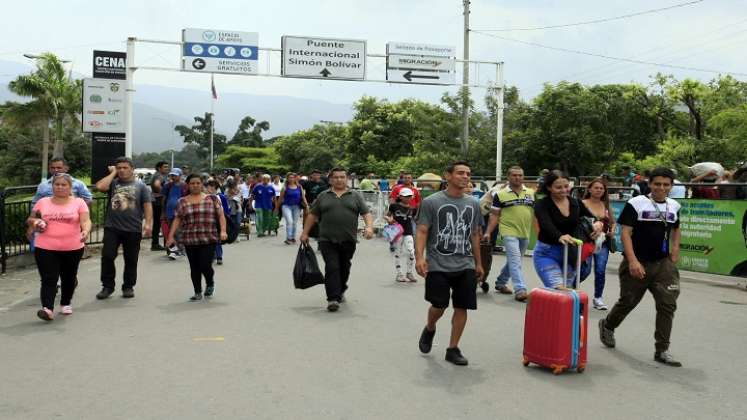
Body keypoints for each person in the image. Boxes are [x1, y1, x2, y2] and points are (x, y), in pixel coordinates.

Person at [599, 167, 684, 367]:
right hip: (637, 261)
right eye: (657, 184)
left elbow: (677, 228)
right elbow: (626, 234)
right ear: (649, 184)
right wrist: (633, 261)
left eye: (666, 184)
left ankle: (662, 349)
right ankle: (608, 325)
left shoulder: (674, 205)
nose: (661, 188)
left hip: (663, 264)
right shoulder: (635, 204)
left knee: (667, 304)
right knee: (628, 301)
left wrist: (675, 248)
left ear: (671, 186)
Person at [416, 161, 484, 366]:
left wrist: (478, 263)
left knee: (462, 306)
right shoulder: (431, 202)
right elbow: (422, 230)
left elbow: (474, 234)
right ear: (448, 176)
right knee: (439, 304)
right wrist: (420, 258)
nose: (465, 177)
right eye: (460, 173)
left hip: (465, 263)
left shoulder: (473, 203)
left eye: (468, 174)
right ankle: (430, 327)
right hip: (438, 263)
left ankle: (453, 349)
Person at [300, 167, 374, 312]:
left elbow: (366, 213)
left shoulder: (355, 195)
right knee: (332, 267)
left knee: (344, 267)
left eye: (342, 177)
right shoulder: (323, 196)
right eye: (336, 177)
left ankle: (341, 288)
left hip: (348, 239)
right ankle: (333, 298)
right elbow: (312, 215)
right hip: (327, 240)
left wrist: (369, 227)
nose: (339, 180)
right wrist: (305, 233)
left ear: (347, 179)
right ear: (330, 180)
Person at [27, 173, 91, 321]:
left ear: (70, 187)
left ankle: (66, 302)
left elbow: (86, 221)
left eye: (64, 185)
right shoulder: (43, 202)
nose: (60, 187)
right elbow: (31, 218)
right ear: (52, 186)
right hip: (45, 246)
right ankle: (47, 308)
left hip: (73, 247)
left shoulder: (79, 202)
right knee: (49, 278)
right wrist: (35, 223)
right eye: (57, 184)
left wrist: (85, 231)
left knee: (68, 277)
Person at [532, 170, 603, 289]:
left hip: (571, 253)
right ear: (549, 188)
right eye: (558, 187)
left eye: (566, 186)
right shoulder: (541, 204)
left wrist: (598, 223)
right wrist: (559, 236)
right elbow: (546, 224)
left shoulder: (575, 202)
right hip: (547, 253)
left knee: (567, 291)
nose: (564, 190)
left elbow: (591, 217)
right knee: (558, 288)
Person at [94, 157, 153, 300]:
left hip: (133, 228)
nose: (122, 170)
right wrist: (113, 173)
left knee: (131, 259)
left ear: (132, 169)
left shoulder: (141, 186)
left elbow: (147, 205)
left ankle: (128, 286)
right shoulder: (113, 184)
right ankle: (107, 286)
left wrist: (148, 223)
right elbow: (100, 187)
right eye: (119, 167)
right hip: (112, 227)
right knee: (107, 256)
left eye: (125, 167)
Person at [166, 174, 227, 301]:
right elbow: (177, 219)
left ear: (202, 184)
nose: (195, 185)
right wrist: (170, 236)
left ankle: (210, 282)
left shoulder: (212, 198)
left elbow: (221, 215)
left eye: (198, 183)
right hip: (190, 238)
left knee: (205, 264)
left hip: (208, 237)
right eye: (192, 183)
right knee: (194, 266)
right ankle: (197, 291)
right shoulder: (182, 201)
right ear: (188, 185)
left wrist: (223, 231)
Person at [482, 166, 535, 302]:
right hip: (507, 231)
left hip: (524, 231)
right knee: (515, 259)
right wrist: (488, 232)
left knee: (515, 260)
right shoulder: (500, 194)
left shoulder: (530, 192)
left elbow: (534, 214)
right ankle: (520, 289)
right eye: (514, 175)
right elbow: (494, 216)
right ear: (508, 177)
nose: (517, 178)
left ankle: (501, 282)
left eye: (520, 175)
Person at [580, 178, 615, 310]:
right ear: (589, 189)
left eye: (601, 188)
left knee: (600, 270)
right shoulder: (582, 204)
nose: (599, 190)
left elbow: (613, 222)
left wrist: (612, 230)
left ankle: (598, 298)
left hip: (603, 242)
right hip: (586, 241)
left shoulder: (605, 205)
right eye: (596, 188)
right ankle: (570, 288)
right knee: (585, 270)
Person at [386, 187, 417, 282]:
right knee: (398, 253)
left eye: (409, 196)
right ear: (400, 197)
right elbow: (387, 215)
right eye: (406, 196)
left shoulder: (412, 208)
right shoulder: (394, 206)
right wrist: (389, 219)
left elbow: (415, 219)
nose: (408, 198)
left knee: (411, 251)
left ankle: (409, 272)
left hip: (408, 232)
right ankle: (399, 274)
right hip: (397, 231)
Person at [161, 168, 187, 259]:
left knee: (178, 231)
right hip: (169, 211)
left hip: (180, 212)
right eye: (172, 175)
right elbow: (164, 199)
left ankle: (180, 249)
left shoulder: (184, 186)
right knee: (168, 231)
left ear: (180, 176)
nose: (173, 177)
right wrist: (163, 212)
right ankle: (171, 250)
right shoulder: (167, 186)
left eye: (175, 175)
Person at [278, 173, 308, 245]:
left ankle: (293, 237)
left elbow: (303, 197)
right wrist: (276, 208)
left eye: (293, 177)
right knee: (289, 221)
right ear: (287, 179)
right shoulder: (285, 187)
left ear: (295, 178)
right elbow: (280, 199)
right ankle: (288, 238)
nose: (291, 179)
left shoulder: (299, 186)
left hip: (297, 206)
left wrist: (307, 206)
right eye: (290, 177)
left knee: (294, 223)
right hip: (286, 206)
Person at [206, 179, 229, 265]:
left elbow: (226, 211)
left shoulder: (221, 197)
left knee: (217, 239)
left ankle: (219, 256)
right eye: (208, 187)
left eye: (211, 187)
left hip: (218, 220)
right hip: (208, 221)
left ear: (215, 188)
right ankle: (212, 256)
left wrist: (225, 222)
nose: (209, 189)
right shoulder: (205, 197)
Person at [149, 161, 170, 251]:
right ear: (159, 168)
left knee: (157, 224)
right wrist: (164, 192)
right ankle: (161, 244)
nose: (167, 168)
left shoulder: (156, 175)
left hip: (154, 200)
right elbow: (157, 184)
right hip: (159, 201)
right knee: (163, 222)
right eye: (165, 167)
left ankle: (155, 243)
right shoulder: (159, 176)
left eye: (167, 167)